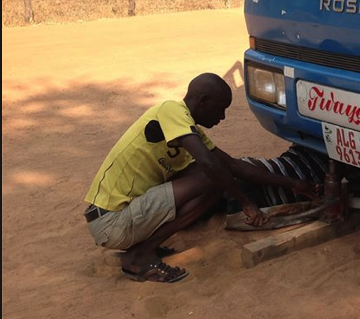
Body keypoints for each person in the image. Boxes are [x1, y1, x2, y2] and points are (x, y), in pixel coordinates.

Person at [83, 73, 320, 283]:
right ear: (203, 101)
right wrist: (247, 203)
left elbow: (233, 165)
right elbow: (210, 165)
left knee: (209, 172)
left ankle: (142, 247)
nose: (223, 117)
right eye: (221, 109)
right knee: (211, 176)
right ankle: (140, 255)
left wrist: (293, 184)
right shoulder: (171, 110)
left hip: (124, 219)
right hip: (112, 221)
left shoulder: (189, 131)